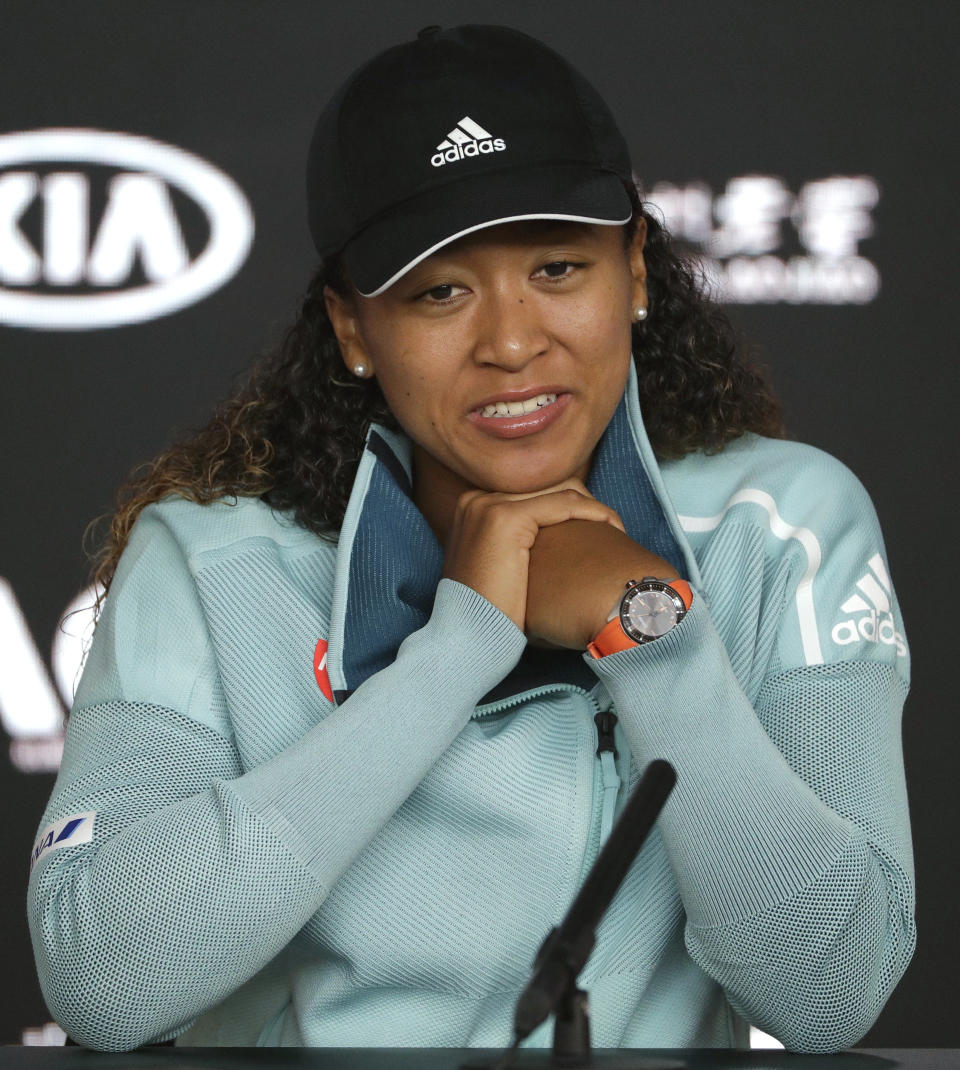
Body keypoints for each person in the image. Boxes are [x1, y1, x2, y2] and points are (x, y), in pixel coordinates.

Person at [27, 24, 915, 1055]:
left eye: (557, 266)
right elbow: (99, 980)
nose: (510, 340)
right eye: (439, 291)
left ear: (635, 271)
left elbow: (830, 988)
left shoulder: (785, 522)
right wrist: (455, 649)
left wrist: (648, 632)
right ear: (353, 328)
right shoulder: (216, 557)